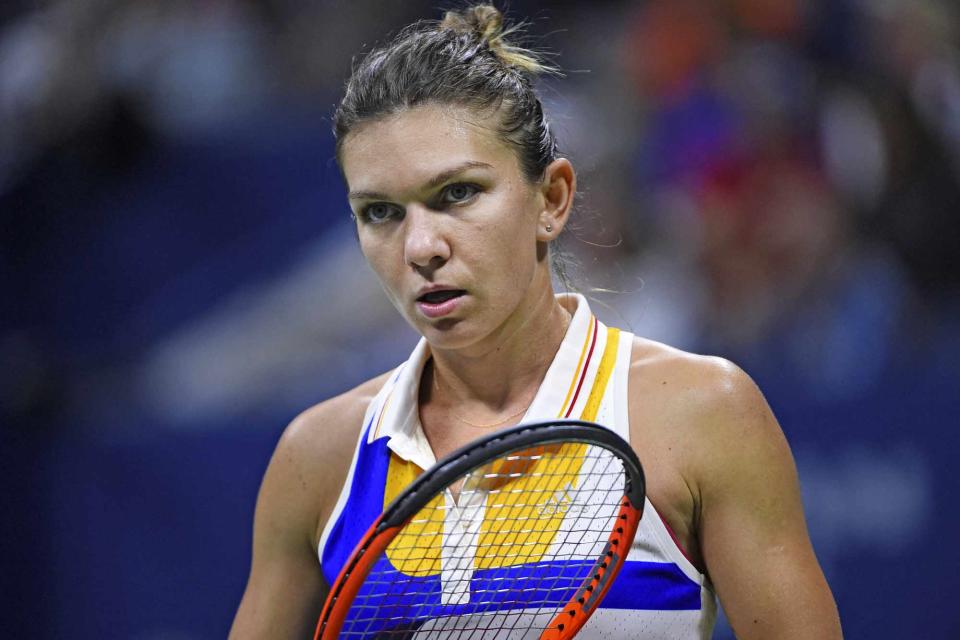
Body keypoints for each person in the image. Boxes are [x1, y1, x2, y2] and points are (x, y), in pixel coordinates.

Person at [229, 5, 842, 639]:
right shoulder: (316, 457)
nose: (420, 247)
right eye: (380, 212)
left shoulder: (703, 412)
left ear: (551, 200)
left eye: (458, 194)